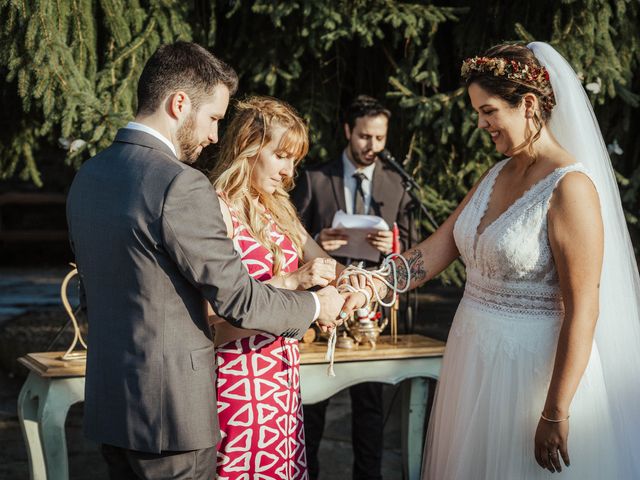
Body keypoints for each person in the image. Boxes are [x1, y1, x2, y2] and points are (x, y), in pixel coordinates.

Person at [66, 42, 347, 480]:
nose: (215, 135)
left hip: (111, 407)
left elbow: (94, 296)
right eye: (213, 118)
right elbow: (238, 300)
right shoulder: (180, 184)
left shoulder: (90, 176)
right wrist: (314, 305)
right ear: (180, 103)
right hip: (173, 418)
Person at [361, 42, 640, 479]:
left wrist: (554, 412)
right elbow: (436, 249)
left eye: (488, 111)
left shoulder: (571, 188)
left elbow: (583, 309)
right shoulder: (495, 174)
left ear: (528, 104)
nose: (481, 124)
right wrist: (371, 284)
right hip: (472, 360)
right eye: (478, 113)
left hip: (529, 376)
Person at [209, 96, 358, 479]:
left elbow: (325, 264)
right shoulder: (217, 208)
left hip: (281, 376)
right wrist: (293, 283)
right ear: (248, 146)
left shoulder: (278, 207)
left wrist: (353, 287)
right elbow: (212, 315)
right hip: (237, 378)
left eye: (294, 159)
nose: (289, 172)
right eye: (281, 156)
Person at [292, 95, 416, 480]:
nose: (372, 147)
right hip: (323, 309)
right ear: (348, 131)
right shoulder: (316, 178)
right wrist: (317, 241)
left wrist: (393, 247)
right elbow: (285, 239)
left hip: (373, 312)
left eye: (379, 138)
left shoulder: (396, 184)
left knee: (370, 412)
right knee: (312, 410)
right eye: (364, 136)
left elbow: (415, 248)